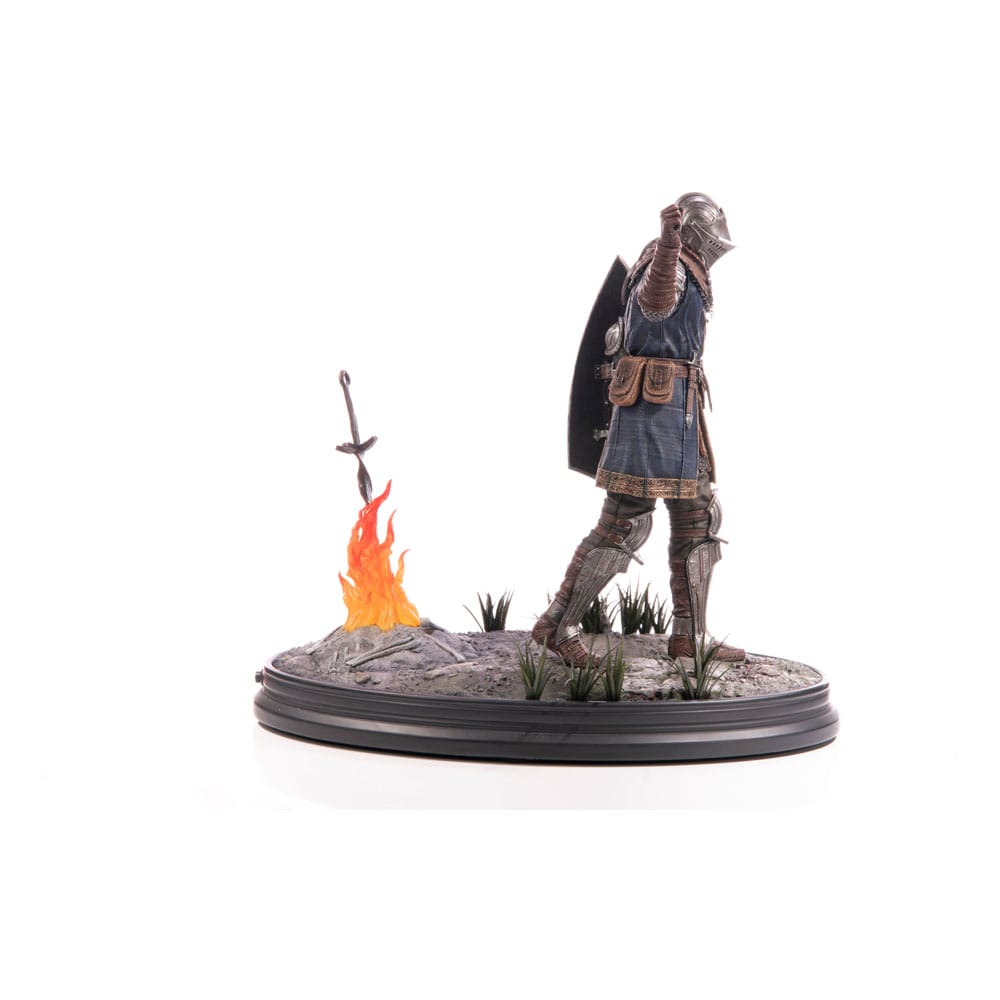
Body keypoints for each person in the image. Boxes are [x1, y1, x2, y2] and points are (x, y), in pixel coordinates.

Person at [533, 193, 745, 667]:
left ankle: (690, 637)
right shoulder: (665, 261)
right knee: (625, 522)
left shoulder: (688, 265)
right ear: (695, 233)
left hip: (681, 410)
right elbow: (654, 306)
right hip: (650, 412)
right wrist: (668, 246)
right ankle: (557, 625)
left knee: (699, 517)